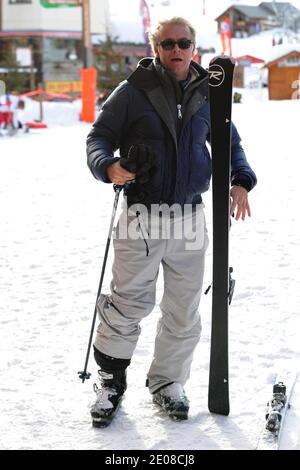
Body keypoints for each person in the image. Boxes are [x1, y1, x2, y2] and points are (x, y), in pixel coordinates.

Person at [86, 16, 257, 428]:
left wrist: (240, 180)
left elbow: (229, 140)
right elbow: (98, 138)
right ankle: (110, 384)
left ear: (194, 47)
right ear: (155, 48)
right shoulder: (132, 91)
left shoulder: (209, 91)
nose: (176, 50)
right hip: (141, 215)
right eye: (167, 44)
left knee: (184, 310)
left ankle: (167, 384)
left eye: (183, 43)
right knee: (128, 304)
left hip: (190, 218)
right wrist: (108, 167)